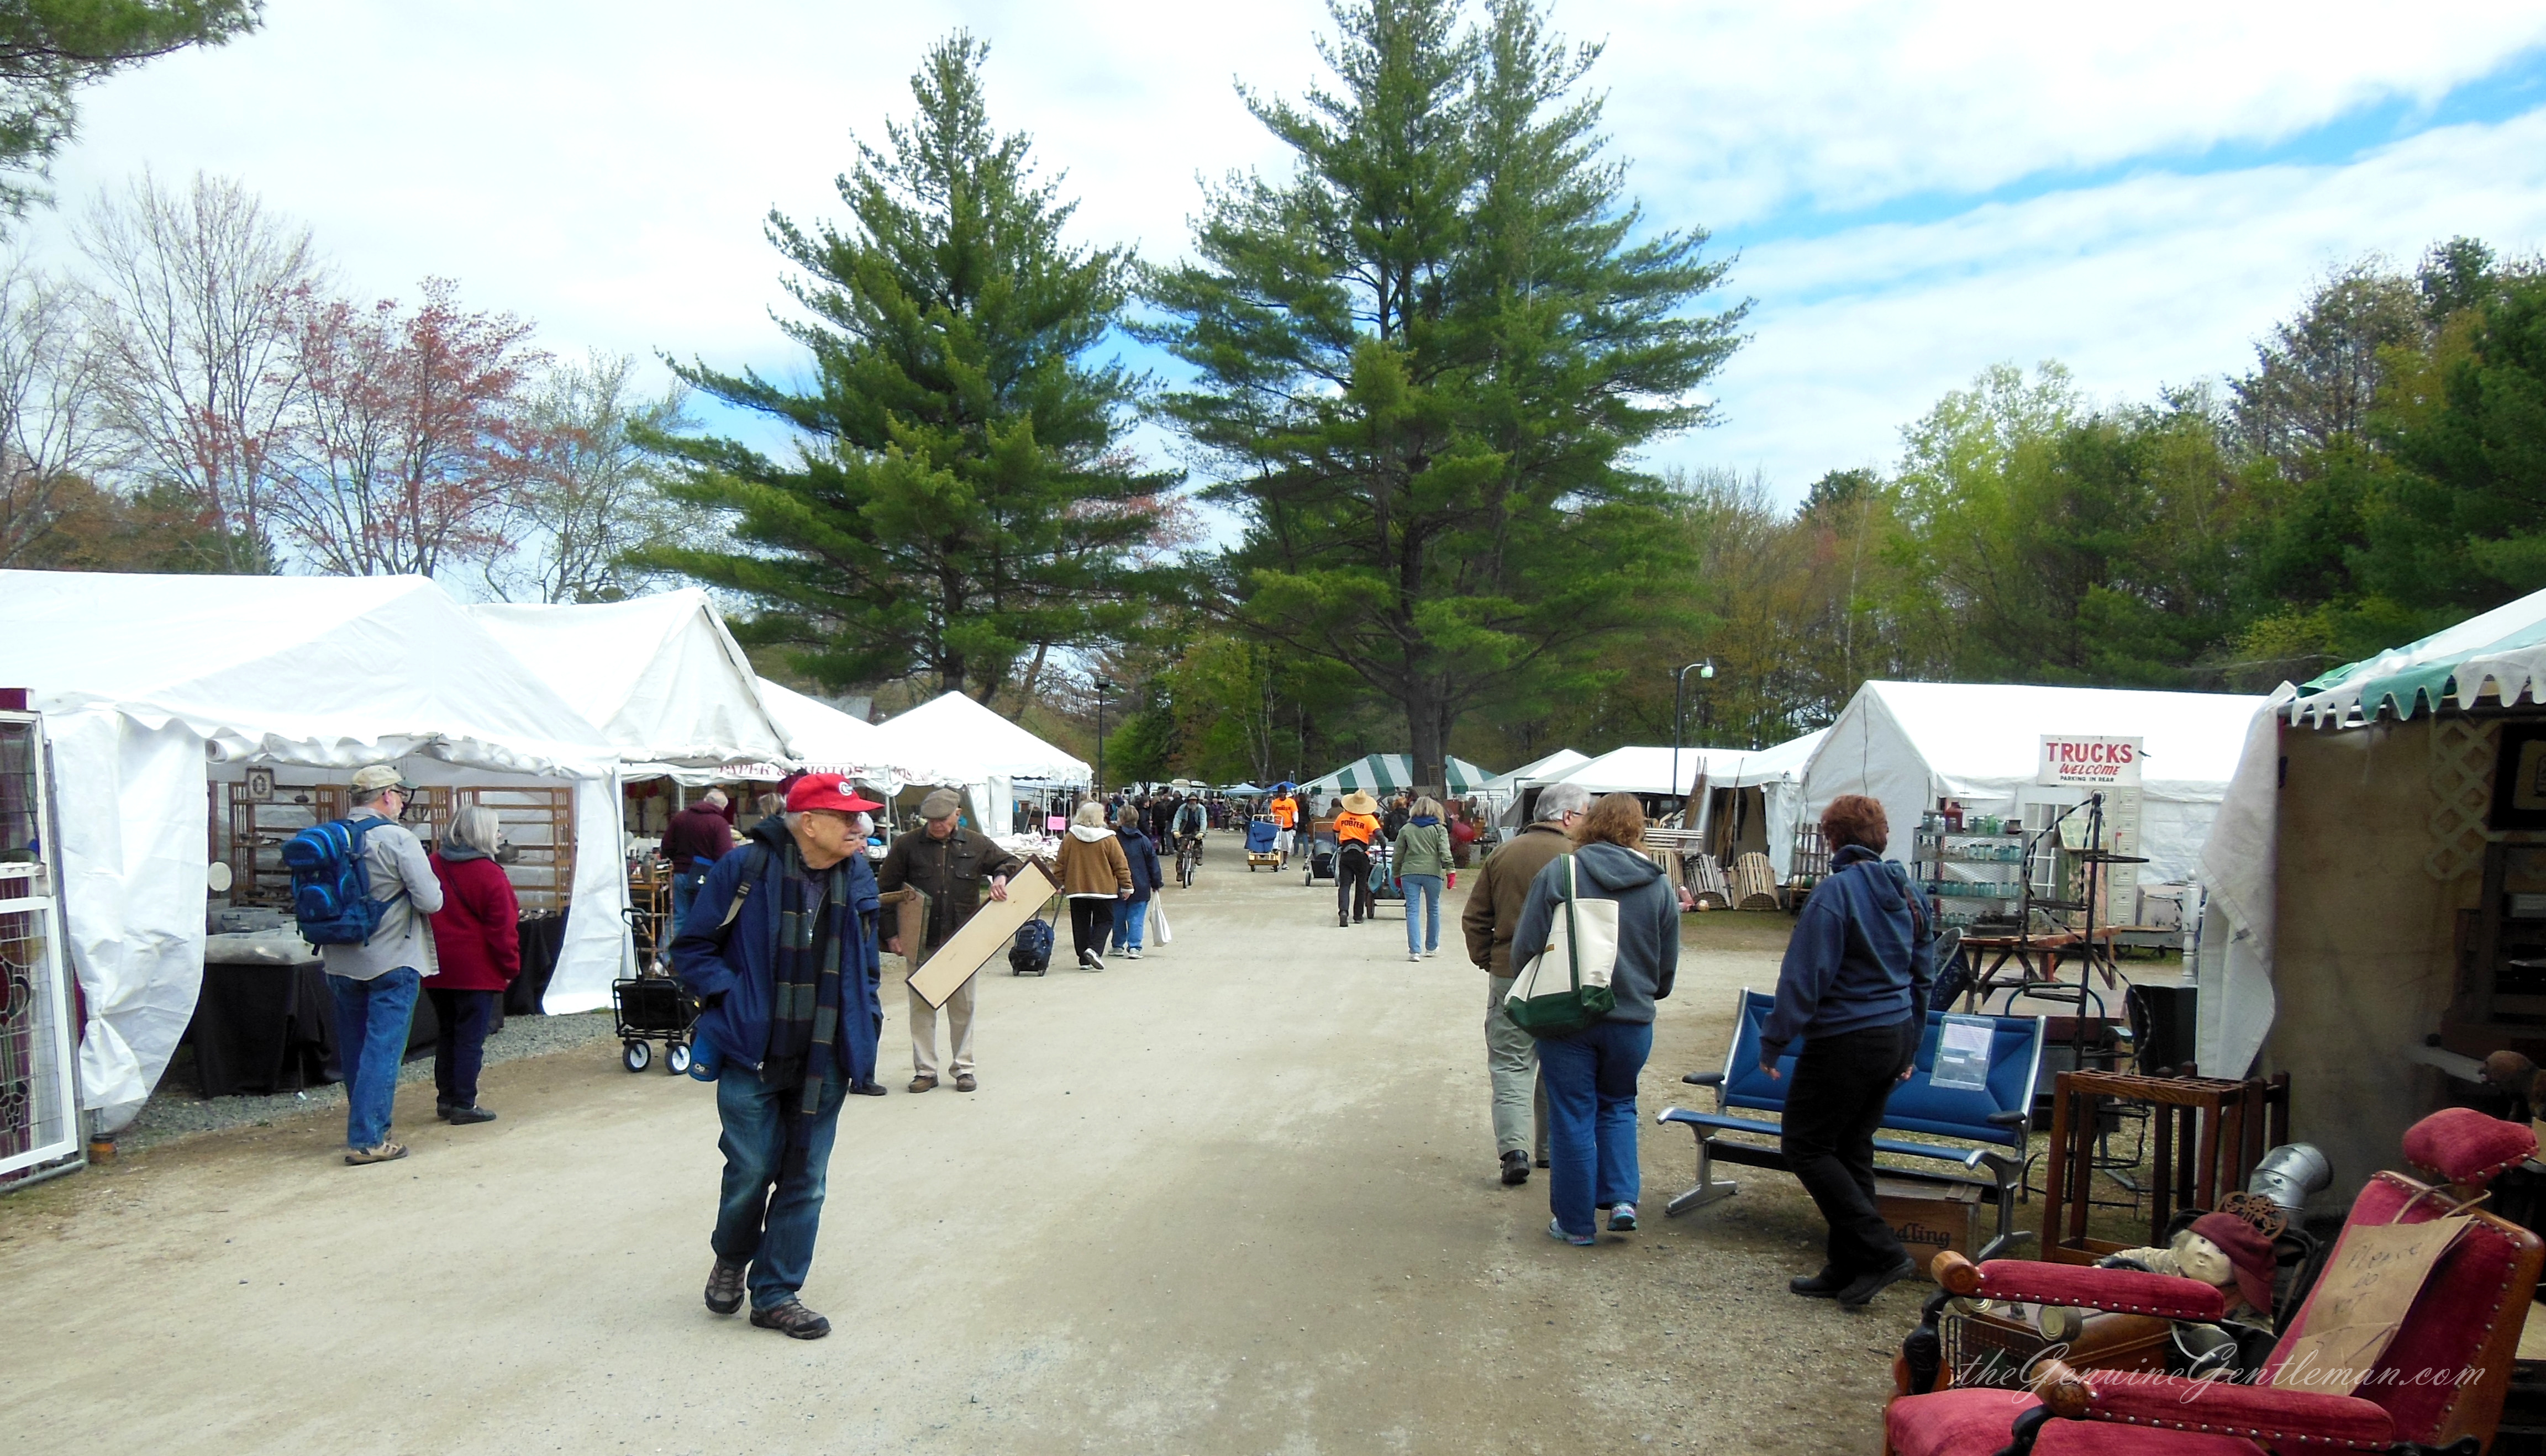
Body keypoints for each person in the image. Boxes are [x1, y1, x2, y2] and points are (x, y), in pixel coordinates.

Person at [671, 773, 885, 1339]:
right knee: (751, 1169)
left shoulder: (857, 873)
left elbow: (866, 961)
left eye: (859, 817)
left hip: (826, 1053)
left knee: (806, 1178)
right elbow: (690, 948)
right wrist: (734, 995)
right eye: (847, 817)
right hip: (753, 1051)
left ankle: (775, 1293)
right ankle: (732, 1253)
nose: (859, 826)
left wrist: (868, 1019)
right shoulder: (744, 869)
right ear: (807, 821)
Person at [1759, 793, 1934, 1309]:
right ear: (1881, 835)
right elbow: (1923, 977)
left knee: (1805, 1145)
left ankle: (1881, 1252)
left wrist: (1774, 1039)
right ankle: (1847, 1265)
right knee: (1851, 1145)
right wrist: (1913, 1045)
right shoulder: (1910, 891)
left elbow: (1805, 974)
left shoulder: (1834, 893)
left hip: (1846, 1039)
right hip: (1894, 1032)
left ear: (1831, 838)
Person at [1512, 792, 1678, 1246]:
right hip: (1632, 1018)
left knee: (1572, 1114)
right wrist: (1647, 991)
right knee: (1620, 1104)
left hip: (1569, 1014)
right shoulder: (1659, 883)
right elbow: (1666, 966)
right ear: (1638, 829)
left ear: (1590, 824)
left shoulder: (1562, 872)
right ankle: (1623, 1200)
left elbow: (1526, 945)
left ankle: (1576, 1224)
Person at [321, 765, 447, 1167]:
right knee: (383, 1049)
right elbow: (431, 901)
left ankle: (366, 1126)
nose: (404, 803)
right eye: (401, 795)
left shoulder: (333, 837)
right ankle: (370, 1137)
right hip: (392, 955)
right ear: (387, 796)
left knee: (356, 1048)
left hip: (340, 956)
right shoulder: (397, 839)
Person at [1460, 782, 1585, 1185]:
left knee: (1511, 1063)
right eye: (1584, 815)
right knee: (1559, 1063)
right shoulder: (1579, 859)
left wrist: (1489, 960)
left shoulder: (1503, 853)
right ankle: (1549, 1150)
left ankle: (1515, 1150)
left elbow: (1476, 917)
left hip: (1511, 971)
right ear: (1567, 817)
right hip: (1568, 975)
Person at [874, 787, 1020, 1094]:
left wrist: (1001, 877)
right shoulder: (907, 845)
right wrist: (891, 935)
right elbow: (885, 892)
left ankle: (964, 1068)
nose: (936, 825)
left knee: (963, 1007)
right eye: (930, 820)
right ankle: (925, 1071)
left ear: (957, 815)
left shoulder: (977, 843)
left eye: (942, 819)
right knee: (922, 1007)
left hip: (962, 940)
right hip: (920, 939)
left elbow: (1008, 861)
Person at [425, 806, 519, 1126]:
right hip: (476, 969)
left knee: (448, 1032)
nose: (498, 836)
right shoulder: (491, 874)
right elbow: (502, 929)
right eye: (495, 830)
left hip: (436, 964)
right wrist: (509, 968)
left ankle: (446, 1098)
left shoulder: (433, 863)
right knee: (469, 1038)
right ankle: (464, 1102)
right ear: (482, 834)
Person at [1056, 801, 1133, 969]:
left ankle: (1084, 958)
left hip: (1077, 888)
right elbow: (1120, 864)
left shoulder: (1070, 837)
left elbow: (1061, 863)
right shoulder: (1109, 838)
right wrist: (1126, 885)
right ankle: (1094, 950)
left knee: (1080, 923)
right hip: (1103, 889)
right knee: (1105, 920)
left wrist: (1059, 883)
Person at [664, 788, 737, 930]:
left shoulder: (680, 817)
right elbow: (724, 854)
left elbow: (666, 846)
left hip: (680, 873)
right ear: (721, 806)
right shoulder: (719, 823)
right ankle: (694, 950)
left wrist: (679, 860)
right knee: (702, 917)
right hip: (706, 876)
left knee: (679, 917)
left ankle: (665, 951)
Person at [1393, 796, 1452, 963]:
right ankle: (1432, 947)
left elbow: (1398, 854)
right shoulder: (1439, 829)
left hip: (1410, 872)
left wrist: (1396, 873)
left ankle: (1415, 951)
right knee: (1433, 909)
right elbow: (1445, 852)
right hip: (1433, 872)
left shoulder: (1407, 829)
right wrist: (1450, 870)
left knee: (1412, 910)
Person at [1111, 808, 1162, 959]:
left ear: (1121, 820)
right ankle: (1134, 947)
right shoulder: (1144, 840)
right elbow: (1153, 863)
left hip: (1118, 885)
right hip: (1141, 885)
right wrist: (1156, 883)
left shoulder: (1114, 840)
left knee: (1118, 917)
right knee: (1136, 918)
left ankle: (1117, 945)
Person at [1333, 790, 1382, 927]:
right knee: (1361, 886)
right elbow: (1379, 834)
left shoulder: (1343, 816)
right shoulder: (1369, 818)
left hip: (1346, 854)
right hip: (1361, 855)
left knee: (1345, 885)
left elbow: (1335, 830)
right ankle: (1358, 916)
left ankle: (1343, 911)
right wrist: (1383, 844)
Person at [1269, 785, 1299, 859]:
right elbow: (1272, 813)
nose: (1282, 795)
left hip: (1288, 827)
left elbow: (1295, 813)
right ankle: (1276, 861)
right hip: (1278, 826)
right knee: (1276, 845)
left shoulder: (1291, 802)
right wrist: (1271, 820)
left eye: (1283, 794)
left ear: (1286, 794)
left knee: (1287, 846)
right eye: (1280, 794)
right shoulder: (1275, 802)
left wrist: (1295, 823)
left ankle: (1285, 862)